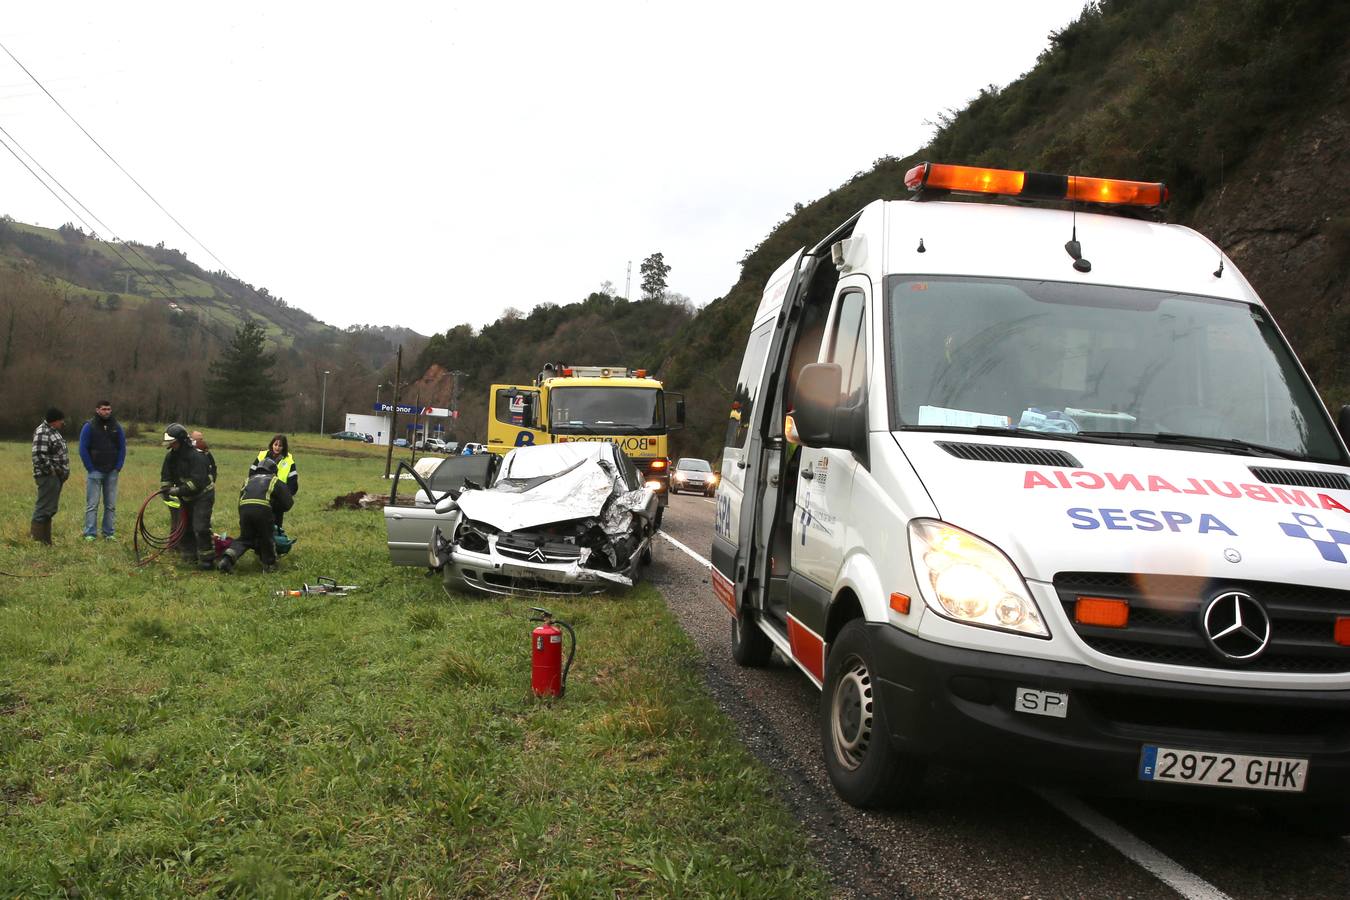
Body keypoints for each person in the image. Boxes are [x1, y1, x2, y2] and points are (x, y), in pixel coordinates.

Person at [218, 456, 293, 574]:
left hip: (244, 509)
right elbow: (288, 503)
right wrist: (275, 509)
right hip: (263, 510)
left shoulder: (248, 480)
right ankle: (269, 566)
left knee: (245, 538)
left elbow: (241, 499)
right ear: (274, 471)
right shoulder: (274, 480)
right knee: (266, 537)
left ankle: (227, 559)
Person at [159, 423, 215, 570]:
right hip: (185, 497)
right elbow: (166, 476)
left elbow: (196, 484)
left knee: (200, 527)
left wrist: (177, 491)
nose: (171, 446)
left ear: (182, 441)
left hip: (202, 496)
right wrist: (165, 489)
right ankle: (189, 556)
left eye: (174, 443)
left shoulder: (196, 457)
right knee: (184, 527)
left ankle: (207, 560)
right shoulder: (171, 457)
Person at [78, 400, 126, 540]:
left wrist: (118, 466)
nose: (107, 411)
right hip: (95, 471)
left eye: (109, 409)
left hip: (112, 471)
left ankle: (108, 533)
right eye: (104, 409)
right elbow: (83, 448)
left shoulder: (116, 426)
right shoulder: (89, 426)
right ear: (97, 410)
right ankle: (90, 533)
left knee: (110, 505)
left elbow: (122, 448)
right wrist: (90, 468)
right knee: (92, 504)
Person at [30, 408, 69, 545]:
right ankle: (36, 541)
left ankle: (46, 541)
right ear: (55, 420)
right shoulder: (43, 432)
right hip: (48, 477)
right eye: (61, 420)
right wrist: (51, 471)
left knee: (50, 509)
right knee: (43, 508)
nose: (62, 423)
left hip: (56, 477)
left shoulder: (53, 432)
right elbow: (39, 455)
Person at [250, 434, 297, 529]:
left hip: (278, 497)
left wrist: (286, 496)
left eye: (280, 446)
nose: (277, 447)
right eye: (275, 444)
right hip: (262, 495)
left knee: (276, 526)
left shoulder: (289, 461)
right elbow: (251, 474)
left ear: (284, 447)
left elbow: (293, 482)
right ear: (272, 444)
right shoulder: (262, 455)